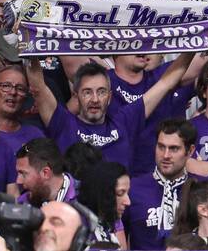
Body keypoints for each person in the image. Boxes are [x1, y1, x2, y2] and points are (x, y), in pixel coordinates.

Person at [26, 54, 191, 171]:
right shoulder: (63, 123)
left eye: (101, 92)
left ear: (110, 97)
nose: (95, 99)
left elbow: (166, 83)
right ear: (76, 96)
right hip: (77, 214)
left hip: (117, 214)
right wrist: (27, 44)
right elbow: (38, 87)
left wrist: (195, 45)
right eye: (87, 92)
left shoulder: (124, 121)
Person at [122, 120, 192, 251]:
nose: (165, 155)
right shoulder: (132, 188)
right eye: (161, 147)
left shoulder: (199, 189)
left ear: (190, 151)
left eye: (174, 149)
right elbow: (118, 237)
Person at [76, 159, 131, 247]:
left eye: (127, 193)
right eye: (120, 193)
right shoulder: (76, 227)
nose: (128, 202)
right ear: (102, 193)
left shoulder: (110, 221)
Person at [14, 137, 77, 205]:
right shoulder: (22, 204)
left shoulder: (84, 200)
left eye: (23, 174)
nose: (18, 181)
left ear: (45, 173)